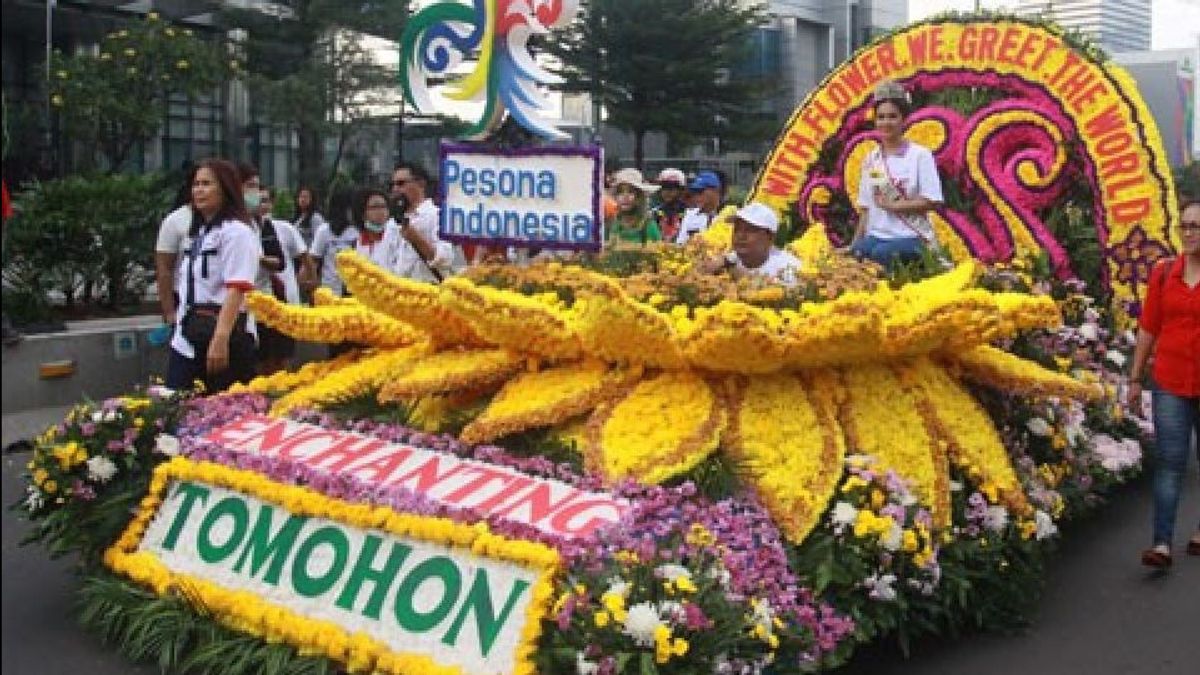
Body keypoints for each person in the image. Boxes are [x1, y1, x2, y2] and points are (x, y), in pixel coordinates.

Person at [1127, 198, 1200, 569]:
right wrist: (1135, 379)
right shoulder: (1163, 272)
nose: (1188, 233)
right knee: (1170, 462)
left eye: (1195, 227)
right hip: (1170, 380)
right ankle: (1162, 544)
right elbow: (1148, 328)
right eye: (1183, 226)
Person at [166, 158, 261, 393]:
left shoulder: (237, 232)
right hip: (187, 336)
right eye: (196, 184)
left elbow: (237, 288)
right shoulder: (200, 232)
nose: (199, 190)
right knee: (176, 408)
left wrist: (220, 340)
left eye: (207, 183)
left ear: (225, 188)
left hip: (222, 339)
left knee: (225, 413)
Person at [851, 80, 943, 267]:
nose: (886, 122)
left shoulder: (919, 155)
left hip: (911, 236)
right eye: (881, 117)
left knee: (880, 254)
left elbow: (933, 201)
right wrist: (853, 246)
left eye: (892, 116)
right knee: (859, 252)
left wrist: (896, 207)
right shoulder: (872, 160)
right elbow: (866, 209)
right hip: (877, 236)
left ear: (903, 119)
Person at [254, 188, 311, 375]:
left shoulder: (284, 228)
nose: (262, 205)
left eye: (265, 200)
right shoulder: (243, 229)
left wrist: (307, 283)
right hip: (258, 303)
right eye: (259, 201)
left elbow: (305, 257)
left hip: (286, 301)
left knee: (285, 354)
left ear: (271, 204)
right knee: (262, 356)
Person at [698, 202, 801, 287]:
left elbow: (777, 295)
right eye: (737, 229)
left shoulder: (790, 268)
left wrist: (737, 273)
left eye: (750, 230)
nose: (740, 236)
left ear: (770, 238)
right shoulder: (732, 257)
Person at [153, 164, 199, 350]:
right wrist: (169, 312)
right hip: (184, 303)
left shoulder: (230, 223)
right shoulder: (175, 221)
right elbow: (164, 269)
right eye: (198, 183)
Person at [388, 162, 457, 283]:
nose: (395, 189)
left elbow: (446, 259)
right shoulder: (391, 223)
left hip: (428, 292)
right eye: (392, 184)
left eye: (401, 183)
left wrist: (417, 239)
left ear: (420, 183)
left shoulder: (437, 216)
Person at [307, 186, 360, 298]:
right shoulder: (324, 231)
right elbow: (313, 261)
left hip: (354, 290)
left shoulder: (358, 231)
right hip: (330, 290)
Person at [605, 168, 662, 245]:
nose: (625, 196)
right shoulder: (611, 224)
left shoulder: (648, 224)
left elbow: (658, 252)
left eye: (631, 192)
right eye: (620, 192)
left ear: (639, 197)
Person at [675, 170, 723, 243]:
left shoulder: (728, 215)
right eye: (694, 192)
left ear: (715, 190)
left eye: (700, 192)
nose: (696, 196)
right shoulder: (689, 215)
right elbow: (680, 243)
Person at [651, 167, 688, 242]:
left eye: (671, 188)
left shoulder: (689, 213)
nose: (667, 192)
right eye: (664, 188)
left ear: (681, 190)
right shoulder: (653, 213)